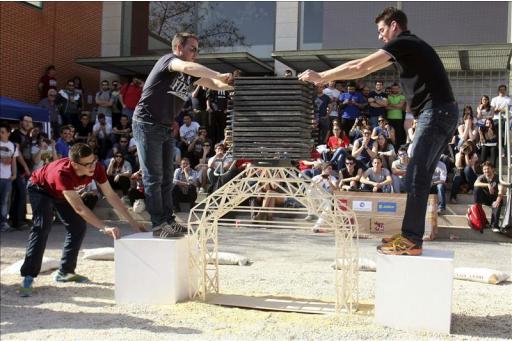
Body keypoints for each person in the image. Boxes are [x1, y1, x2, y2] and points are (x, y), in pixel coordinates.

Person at [299, 7, 458, 255]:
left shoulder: (405, 41)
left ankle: (412, 239)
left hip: (437, 113)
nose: (380, 36)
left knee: (416, 174)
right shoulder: (410, 46)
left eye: (382, 30)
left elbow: (360, 67)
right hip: (440, 113)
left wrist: (321, 76)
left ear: (394, 26)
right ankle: (410, 236)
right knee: (419, 175)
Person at [132, 32, 233, 238]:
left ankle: (169, 220)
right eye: (192, 48)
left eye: (197, 49)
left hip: (166, 127)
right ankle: (159, 224)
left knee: (168, 177)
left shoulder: (190, 74)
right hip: (146, 123)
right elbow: (188, 67)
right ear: (178, 48)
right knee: (153, 177)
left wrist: (232, 83)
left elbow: (215, 84)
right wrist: (217, 73)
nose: (195, 53)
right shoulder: (169, 61)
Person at [18, 143, 145, 297]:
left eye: (93, 161)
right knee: (42, 226)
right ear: (74, 164)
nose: (92, 167)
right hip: (40, 188)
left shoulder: (96, 167)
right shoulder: (62, 173)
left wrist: (133, 223)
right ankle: (28, 276)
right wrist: (104, 227)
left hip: (63, 192)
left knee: (77, 226)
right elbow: (79, 208)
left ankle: (65, 272)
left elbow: (111, 195)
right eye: (87, 164)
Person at [9, 114, 33, 230]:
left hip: (24, 169)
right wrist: (25, 167)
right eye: (26, 121)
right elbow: (17, 153)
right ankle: (17, 221)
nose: (28, 123)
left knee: (21, 195)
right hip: (18, 169)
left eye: (30, 121)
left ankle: (22, 218)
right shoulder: (16, 135)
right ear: (21, 122)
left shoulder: (28, 136)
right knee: (20, 194)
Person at [473, 161, 506, 232]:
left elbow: (501, 191)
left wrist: (497, 201)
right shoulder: (482, 177)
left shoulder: (498, 178)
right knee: (477, 188)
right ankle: (477, 206)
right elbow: (475, 183)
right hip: (485, 198)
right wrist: (488, 185)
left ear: (492, 169)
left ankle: (494, 225)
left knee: (497, 205)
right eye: (484, 169)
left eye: (488, 169)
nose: (486, 171)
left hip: (496, 198)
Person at [0, 123, 17, 232]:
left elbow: (14, 161)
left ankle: (3, 222)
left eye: (2, 132)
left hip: (7, 177)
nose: (0, 134)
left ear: (8, 133)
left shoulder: (12, 145)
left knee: (5, 201)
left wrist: (14, 174)